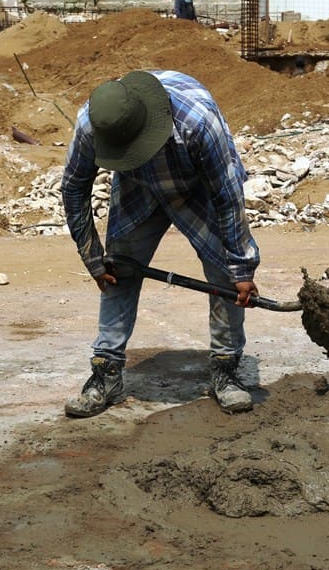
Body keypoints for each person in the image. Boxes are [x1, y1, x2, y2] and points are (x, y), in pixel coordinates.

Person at [61, 70, 260, 418]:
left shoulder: (197, 122)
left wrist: (242, 266)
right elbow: (74, 189)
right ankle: (106, 373)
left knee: (226, 276)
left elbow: (228, 198)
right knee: (116, 271)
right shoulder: (93, 125)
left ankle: (225, 369)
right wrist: (93, 257)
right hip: (138, 186)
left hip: (197, 183)